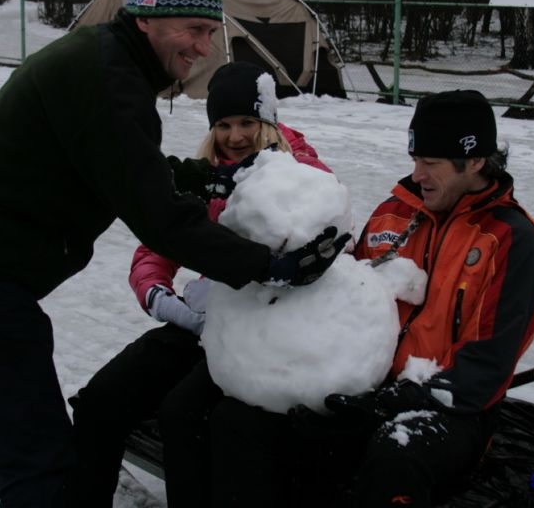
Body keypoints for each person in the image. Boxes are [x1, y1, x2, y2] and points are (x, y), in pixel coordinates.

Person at [0, 0, 347, 508]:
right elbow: (159, 219)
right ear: (147, 17)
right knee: (40, 467)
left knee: (44, 458)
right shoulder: (110, 83)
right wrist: (269, 266)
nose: (203, 45)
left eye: (210, 31)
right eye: (192, 27)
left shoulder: (105, 62)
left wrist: (201, 178)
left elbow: (120, 164)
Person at [176, 89, 534, 507]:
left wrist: (397, 400)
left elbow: (488, 363)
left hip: (450, 407)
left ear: (476, 161)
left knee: (396, 452)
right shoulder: (396, 212)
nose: (419, 174)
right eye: (415, 160)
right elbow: (342, 292)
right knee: (241, 420)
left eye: (432, 163)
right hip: (364, 382)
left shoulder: (510, 242)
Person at [67, 60, 335, 507]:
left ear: (267, 121)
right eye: (224, 124)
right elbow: (156, 245)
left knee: (184, 415)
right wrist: (157, 294)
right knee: (101, 402)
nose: (235, 137)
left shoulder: (300, 171)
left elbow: (321, 251)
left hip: (261, 335)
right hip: (201, 325)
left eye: (248, 122)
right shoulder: (201, 172)